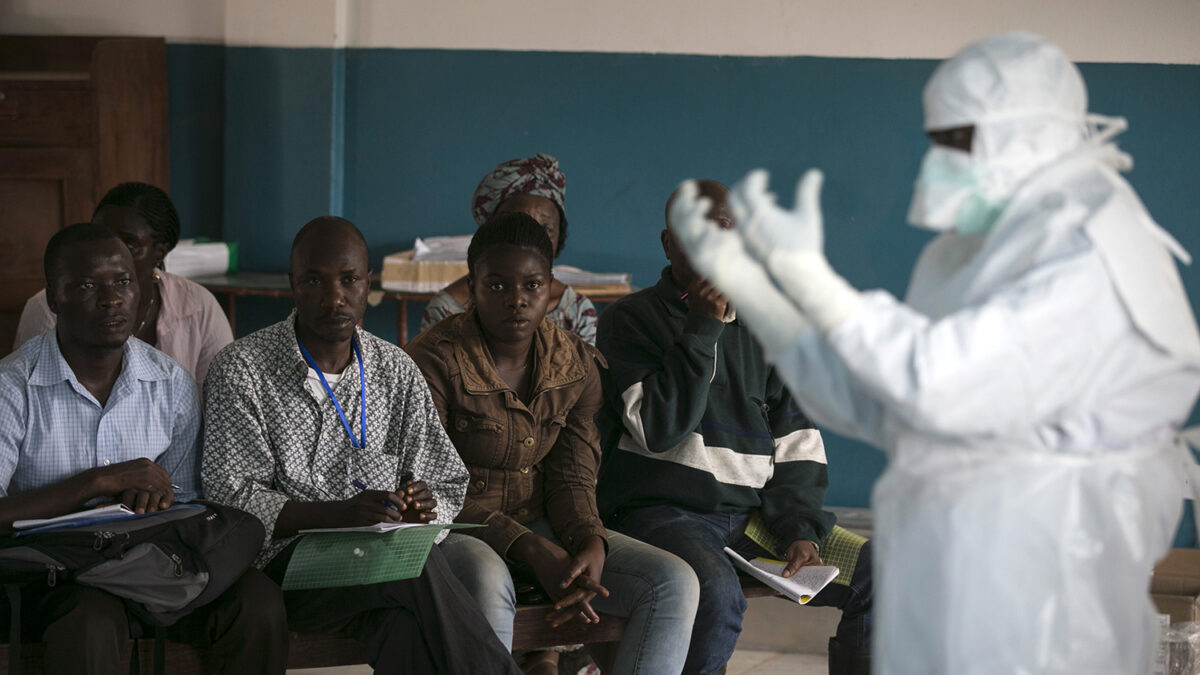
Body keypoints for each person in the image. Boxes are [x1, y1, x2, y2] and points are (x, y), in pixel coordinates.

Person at [667, 32, 1200, 675]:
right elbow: (882, 403)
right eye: (936, 140)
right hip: (948, 558)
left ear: (1026, 135)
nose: (938, 161)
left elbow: (934, 381)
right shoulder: (968, 248)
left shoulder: (1087, 247)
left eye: (957, 142)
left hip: (1044, 577)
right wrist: (759, 291)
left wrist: (811, 278)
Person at [202, 215, 521, 674]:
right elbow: (233, 501)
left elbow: (445, 479)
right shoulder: (243, 369)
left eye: (349, 280)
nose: (335, 298)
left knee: (402, 626)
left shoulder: (395, 368)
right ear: (293, 285)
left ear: (367, 283)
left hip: (379, 564)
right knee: (417, 571)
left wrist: (423, 506)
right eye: (315, 280)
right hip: (281, 570)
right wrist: (340, 514)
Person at [595, 181, 871, 675]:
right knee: (714, 593)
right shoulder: (629, 320)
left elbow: (796, 443)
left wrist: (800, 530)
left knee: (880, 573)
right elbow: (656, 428)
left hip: (748, 521)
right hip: (661, 512)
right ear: (667, 243)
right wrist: (702, 327)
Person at [406, 212, 699, 675]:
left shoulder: (576, 364)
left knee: (673, 581)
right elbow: (430, 491)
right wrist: (527, 547)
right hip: (455, 530)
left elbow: (573, 475)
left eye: (532, 286)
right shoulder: (432, 361)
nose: (517, 301)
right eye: (497, 286)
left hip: (543, 525)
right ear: (472, 287)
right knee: (487, 578)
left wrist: (590, 543)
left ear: (550, 287)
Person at [0, 223, 287, 675]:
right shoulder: (13, 387)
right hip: (60, 572)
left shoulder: (168, 381)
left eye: (123, 281)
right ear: (54, 300)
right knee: (89, 624)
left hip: (150, 558)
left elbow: (188, 498)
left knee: (258, 602)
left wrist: (156, 496)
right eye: (87, 286)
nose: (111, 299)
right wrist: (97, 482)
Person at [14, 182, 233, 388]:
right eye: (100, 236)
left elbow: (223, 399)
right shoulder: (49, 305)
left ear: (160, 252)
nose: (110, 252)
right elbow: (31, 387)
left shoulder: (198, 305)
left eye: (128, 243)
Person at [420, 153, 599, 344]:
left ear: (560, 234)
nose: (532, 237)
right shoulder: (446, 309)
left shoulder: (577, 310)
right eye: (518, 225)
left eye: (545, 228)